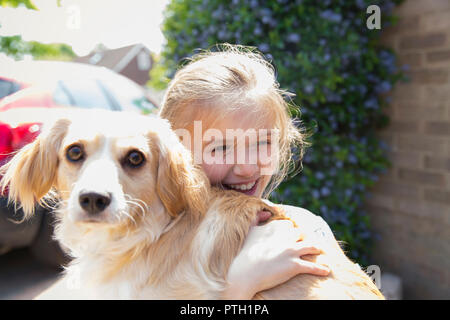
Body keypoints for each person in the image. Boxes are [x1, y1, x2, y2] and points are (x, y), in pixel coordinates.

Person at [158, 44, 336, 299]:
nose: (247, 168)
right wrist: (238, 288)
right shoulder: (147, 251)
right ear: (173, 155)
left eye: (262, 143)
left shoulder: (308, 229)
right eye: (220, 148)